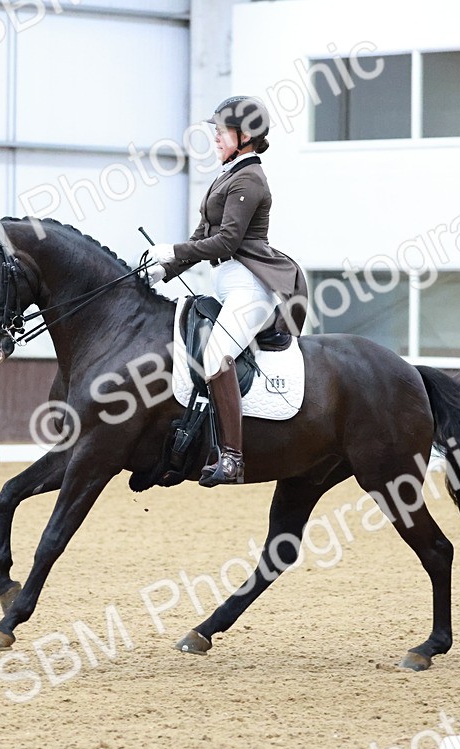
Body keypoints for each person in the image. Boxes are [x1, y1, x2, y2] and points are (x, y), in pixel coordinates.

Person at [145, 96, 309, 487]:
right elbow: (202, 236)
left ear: (246, 135)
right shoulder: (228, 174)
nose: (215, 138)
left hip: (250, 287)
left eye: (221, 132)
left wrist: (172, 249)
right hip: (228, 285)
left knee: (217, 355)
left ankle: (233, 458)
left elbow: (225, 242)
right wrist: (162, 271)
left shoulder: (250, 179)